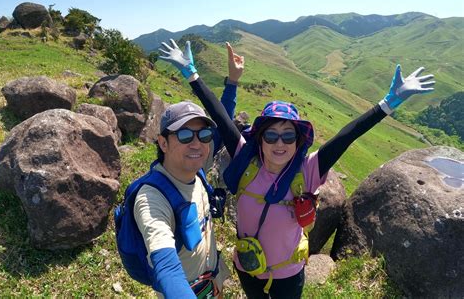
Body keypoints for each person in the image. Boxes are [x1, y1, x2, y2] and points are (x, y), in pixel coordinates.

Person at [159, 39, 436, 299]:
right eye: (271, 135)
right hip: (247, 266)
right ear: (260, 139)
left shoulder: (308, 169)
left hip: (288, 275)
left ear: (298, 140)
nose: (280, 143)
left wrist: (388, 104)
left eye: (288, 136)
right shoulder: (246, 159)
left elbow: (346, 136)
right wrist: (192, 74)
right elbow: (218, 113)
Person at [132, 41, 244, 299]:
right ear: (163, 142)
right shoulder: (152, 198)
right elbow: (166, 264)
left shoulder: (197, 167)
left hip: (211, 281)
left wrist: (233, 83)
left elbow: (224, 119)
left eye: (203, 134)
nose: (196, 143)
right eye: (184, 135)